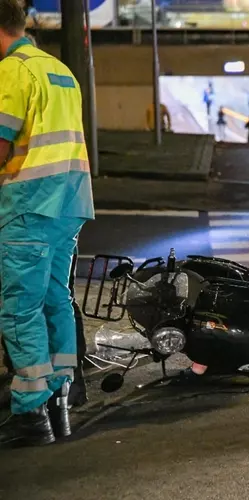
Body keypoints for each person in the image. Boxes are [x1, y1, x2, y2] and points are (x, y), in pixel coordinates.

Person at [0, 0, 95, 448]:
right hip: (70, 204)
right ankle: (60, 398)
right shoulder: (60, 71)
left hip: (29, 206)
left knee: (20, 308)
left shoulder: (13, 72)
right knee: (56, 297)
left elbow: (2, 145)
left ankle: (30, 411)